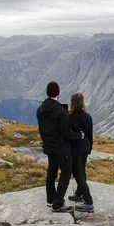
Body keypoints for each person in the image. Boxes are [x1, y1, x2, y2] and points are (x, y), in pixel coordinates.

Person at [37, 81, 84, 212]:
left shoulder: (40, 109)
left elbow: (42, 129)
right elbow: (66, 132)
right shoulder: (61, 111)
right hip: (62, 149)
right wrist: (79, 135)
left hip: (49, 147)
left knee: (51, 172)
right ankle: (58, 203)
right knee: (66, 172)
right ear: (58, 93)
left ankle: (50, 199)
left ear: (47, 93)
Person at [67, 92, 94, 213]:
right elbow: (90, 134)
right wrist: (90, 148)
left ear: (72, 102)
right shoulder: (88, 116)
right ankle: (78, 193)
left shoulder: (70, 117)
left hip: (76, 149)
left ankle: (89, 202)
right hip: (86, 147)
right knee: (82, 170)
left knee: (78, 174)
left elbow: (70, 135)